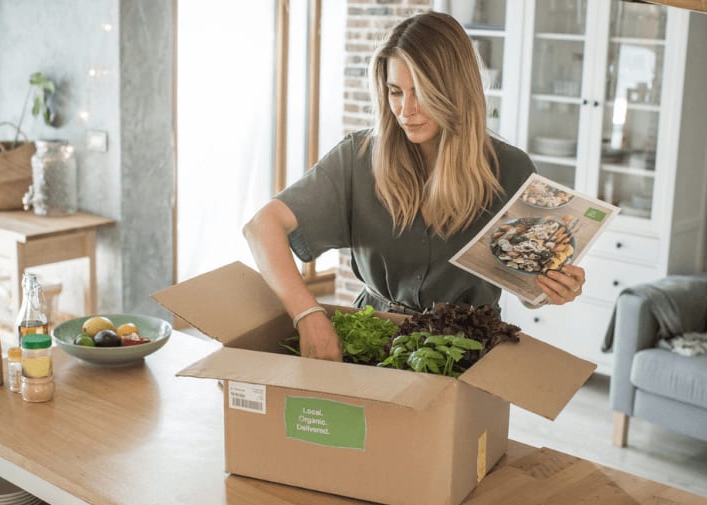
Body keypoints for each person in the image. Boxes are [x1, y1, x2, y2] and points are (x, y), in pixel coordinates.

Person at [243, 11, 585, 362]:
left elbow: (528, 286)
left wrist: (548, 290)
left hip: (466, 352)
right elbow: (261, 228)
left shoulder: (510, 169)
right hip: (372, 338)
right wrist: (307, 314)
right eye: (395, 92)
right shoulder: (358, 158)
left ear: (454, 91)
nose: (406, 110)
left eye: (420, 93)